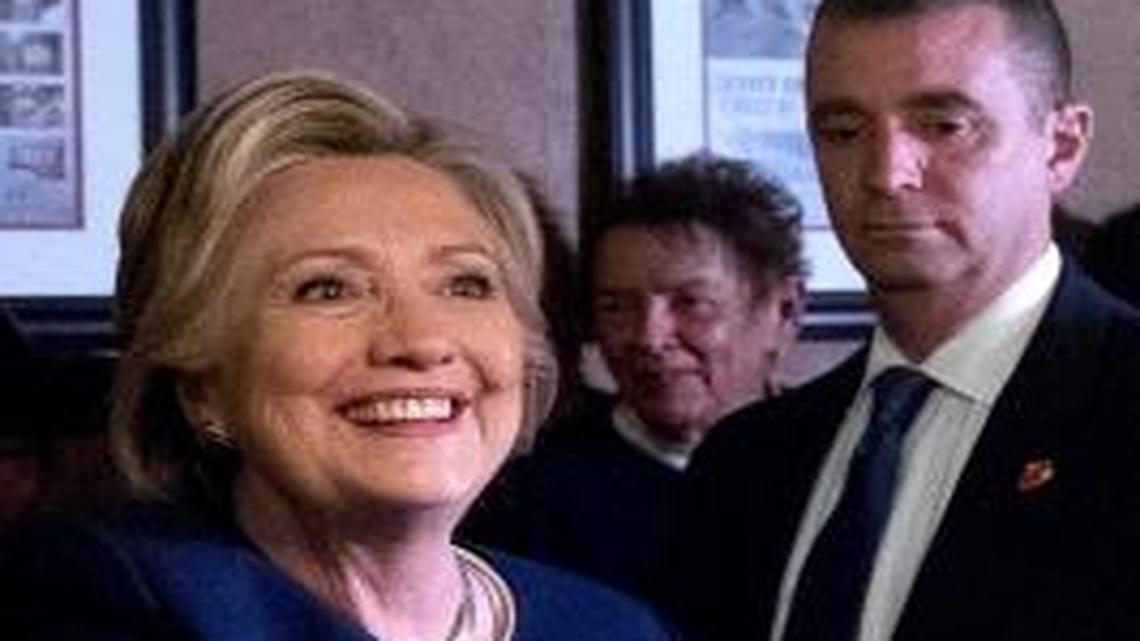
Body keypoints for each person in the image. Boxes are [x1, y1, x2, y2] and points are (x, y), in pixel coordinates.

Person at [0, 70, 677, 641]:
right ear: (203, 386)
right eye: (328, 288)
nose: (422, 341)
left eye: (465, 284)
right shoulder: (112, 595)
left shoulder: (614, 627)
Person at [672, 1, 1140, 640]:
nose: (885, 173)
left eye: (944, 125)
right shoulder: (745, 463)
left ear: (1061, 146)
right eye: (843, 131)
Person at [464, 155, 805, 604]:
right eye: (616, 307)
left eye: (690, 303)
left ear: (783, 311)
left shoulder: (839, 462)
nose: (649, 338)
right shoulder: (526, 493)